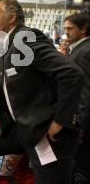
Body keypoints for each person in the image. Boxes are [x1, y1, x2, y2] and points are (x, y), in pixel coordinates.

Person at [0, 0, 82, 184]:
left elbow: (71, 75)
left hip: (44, 132)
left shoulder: (25, 39)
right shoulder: (5, 45)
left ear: (12, 18)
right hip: (21, 131)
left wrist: (60, 121)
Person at [63, 13, 90, 184]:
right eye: (65, 28)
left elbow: (87, 90)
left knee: (82, 167)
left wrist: (81, 122)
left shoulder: (86, 51)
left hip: (81, 124)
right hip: (76, 120)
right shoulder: (78, 48)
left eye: (70, 28)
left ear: (83, 30)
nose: (66, 32)